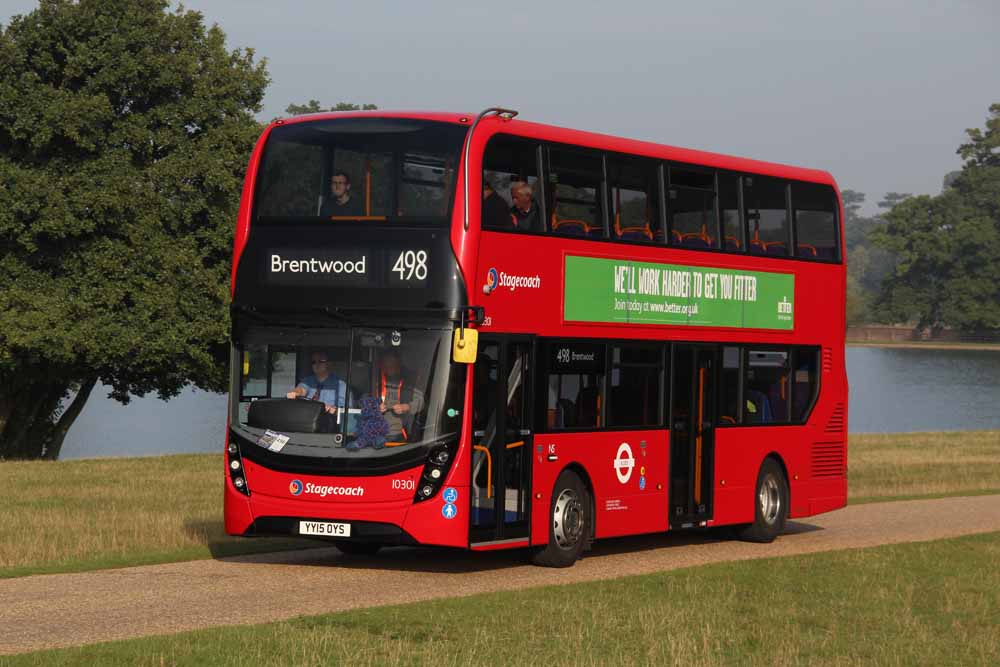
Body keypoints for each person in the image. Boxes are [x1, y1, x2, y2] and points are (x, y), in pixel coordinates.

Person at [378, 349, 424, 441]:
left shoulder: (409, 382)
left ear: (398, 364)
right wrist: (374, 406)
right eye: (386, 364)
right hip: (375, 433)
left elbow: (421, 402)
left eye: (392, 364)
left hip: (399, 434)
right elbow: (362, 400)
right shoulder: (375, 381)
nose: (389, 367)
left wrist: (406, 407)